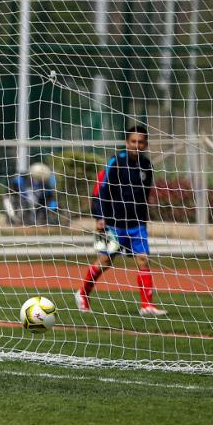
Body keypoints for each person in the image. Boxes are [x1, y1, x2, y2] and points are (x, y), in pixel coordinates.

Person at [75, 125, 167, 317]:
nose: (136, 145)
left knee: (143, 260)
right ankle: (83, 294)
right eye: (133, 141)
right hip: (113, 224)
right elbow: (101, 191)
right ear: (127, 143)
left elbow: (144, 194)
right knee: (105, 261)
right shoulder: (115, 162)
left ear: (146, 144)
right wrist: (99, 217)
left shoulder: (147, 165)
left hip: (137, 225)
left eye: (140, 142)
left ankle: (146, 306)